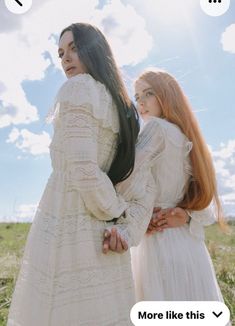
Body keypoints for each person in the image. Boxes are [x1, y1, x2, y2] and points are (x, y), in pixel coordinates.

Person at [7, 23, 157, 326]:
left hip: (71, 219)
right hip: (103, 229)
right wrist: (121, 222)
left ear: (95, 49)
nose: (65, 58)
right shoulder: (123, 106)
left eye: (74, 48)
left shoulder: (79, 88)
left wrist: (116, 212)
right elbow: (133, 180)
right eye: (61, 53)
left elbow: (82, 169)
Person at [103, 68, 227, 304]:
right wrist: (187, 215)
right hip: (189, 248)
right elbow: (205, 205)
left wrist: (135, 216)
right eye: (137, 97)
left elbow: (125, 181)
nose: (141, 103)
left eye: (148, 93)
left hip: (157, 244)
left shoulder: (156, 129)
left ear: (167, 95)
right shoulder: (188, 138)